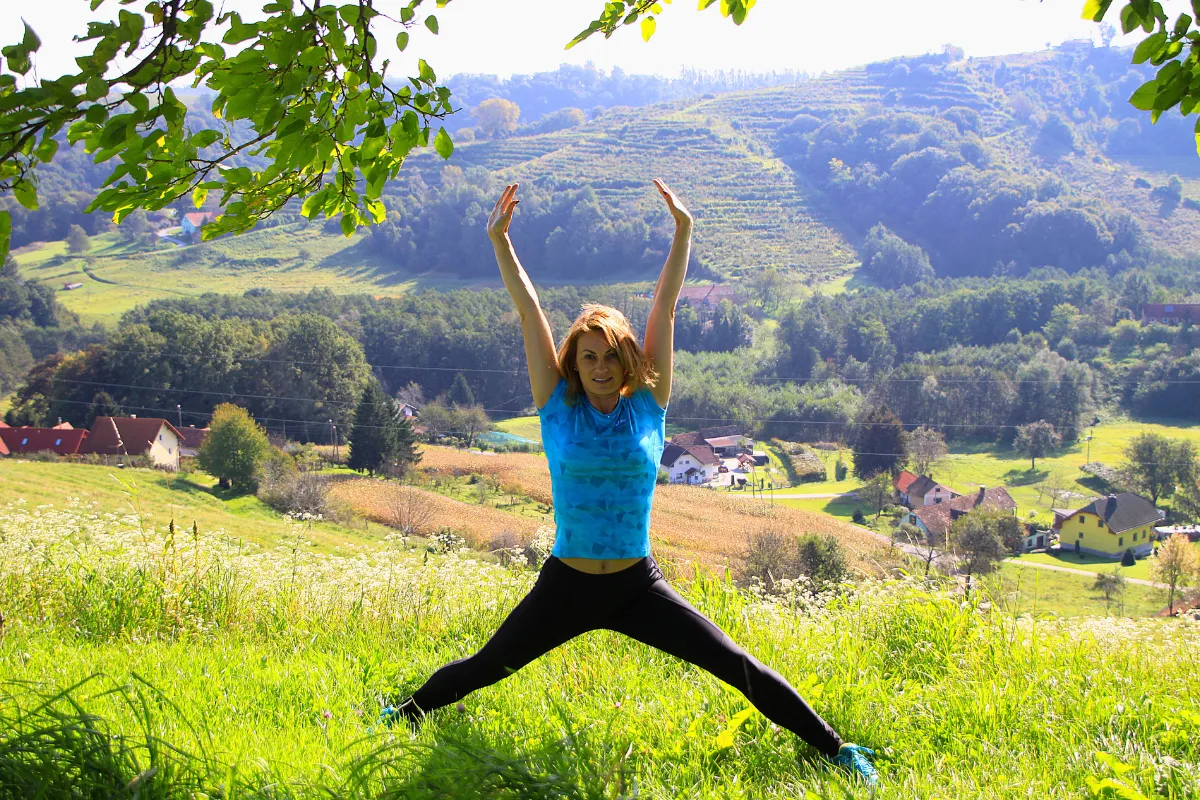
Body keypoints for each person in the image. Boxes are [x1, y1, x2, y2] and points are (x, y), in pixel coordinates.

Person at [381, 180, 878, 787]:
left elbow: (664, 309)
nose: (598, 367)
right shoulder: (555, 407)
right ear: (573, 362)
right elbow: (527, 312)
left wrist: (683, 232)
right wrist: (499, 242)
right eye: (587, 357)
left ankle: (837, 751)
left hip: (637, 585)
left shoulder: (650, 406)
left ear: (627, 360)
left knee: (734, 664)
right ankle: (397, 717)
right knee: (487, 666)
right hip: (566, 583)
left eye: (609, 355)